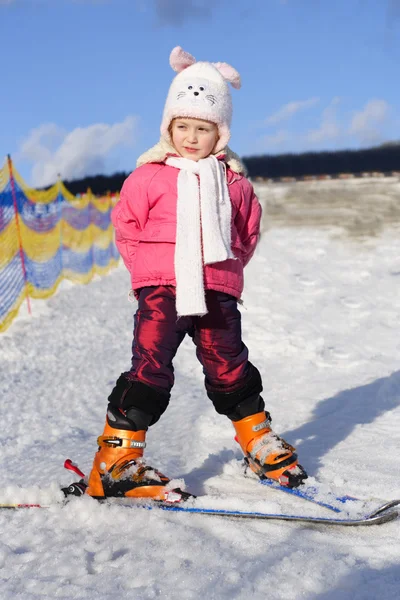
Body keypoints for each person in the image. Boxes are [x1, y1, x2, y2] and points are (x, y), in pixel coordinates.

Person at [85, 46, 307, 501]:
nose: (191, 136)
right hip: (161, 290)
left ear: (219, 132)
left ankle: (257, 439)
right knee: (150, 366)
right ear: (169, 127)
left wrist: (226, 272)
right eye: (182, 126)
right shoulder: (147, 177)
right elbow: (126, 228)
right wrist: (148, 272)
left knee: (230, 364)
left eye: (202, 128)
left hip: (216, 289)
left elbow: (247, 232)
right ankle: (117, 460)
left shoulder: (233, 183)